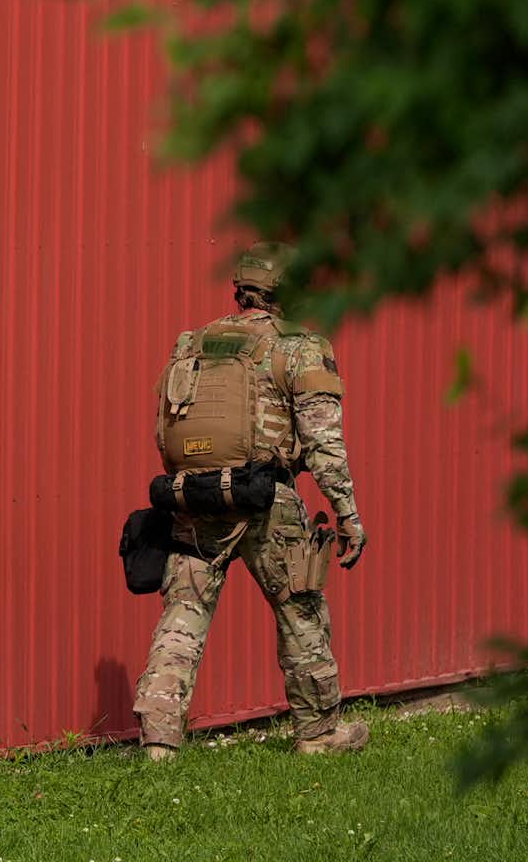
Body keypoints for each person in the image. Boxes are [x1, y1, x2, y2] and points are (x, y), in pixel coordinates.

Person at [135, 243, 370, 759]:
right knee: (300, 611)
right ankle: (318, 734)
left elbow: (164, 429)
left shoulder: (191, 344)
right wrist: (347, 514)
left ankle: (158, 742)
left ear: (239, 288)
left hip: (195, 497)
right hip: (268, 501)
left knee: (183, 613)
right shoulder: (301, 347)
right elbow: (324, 444)